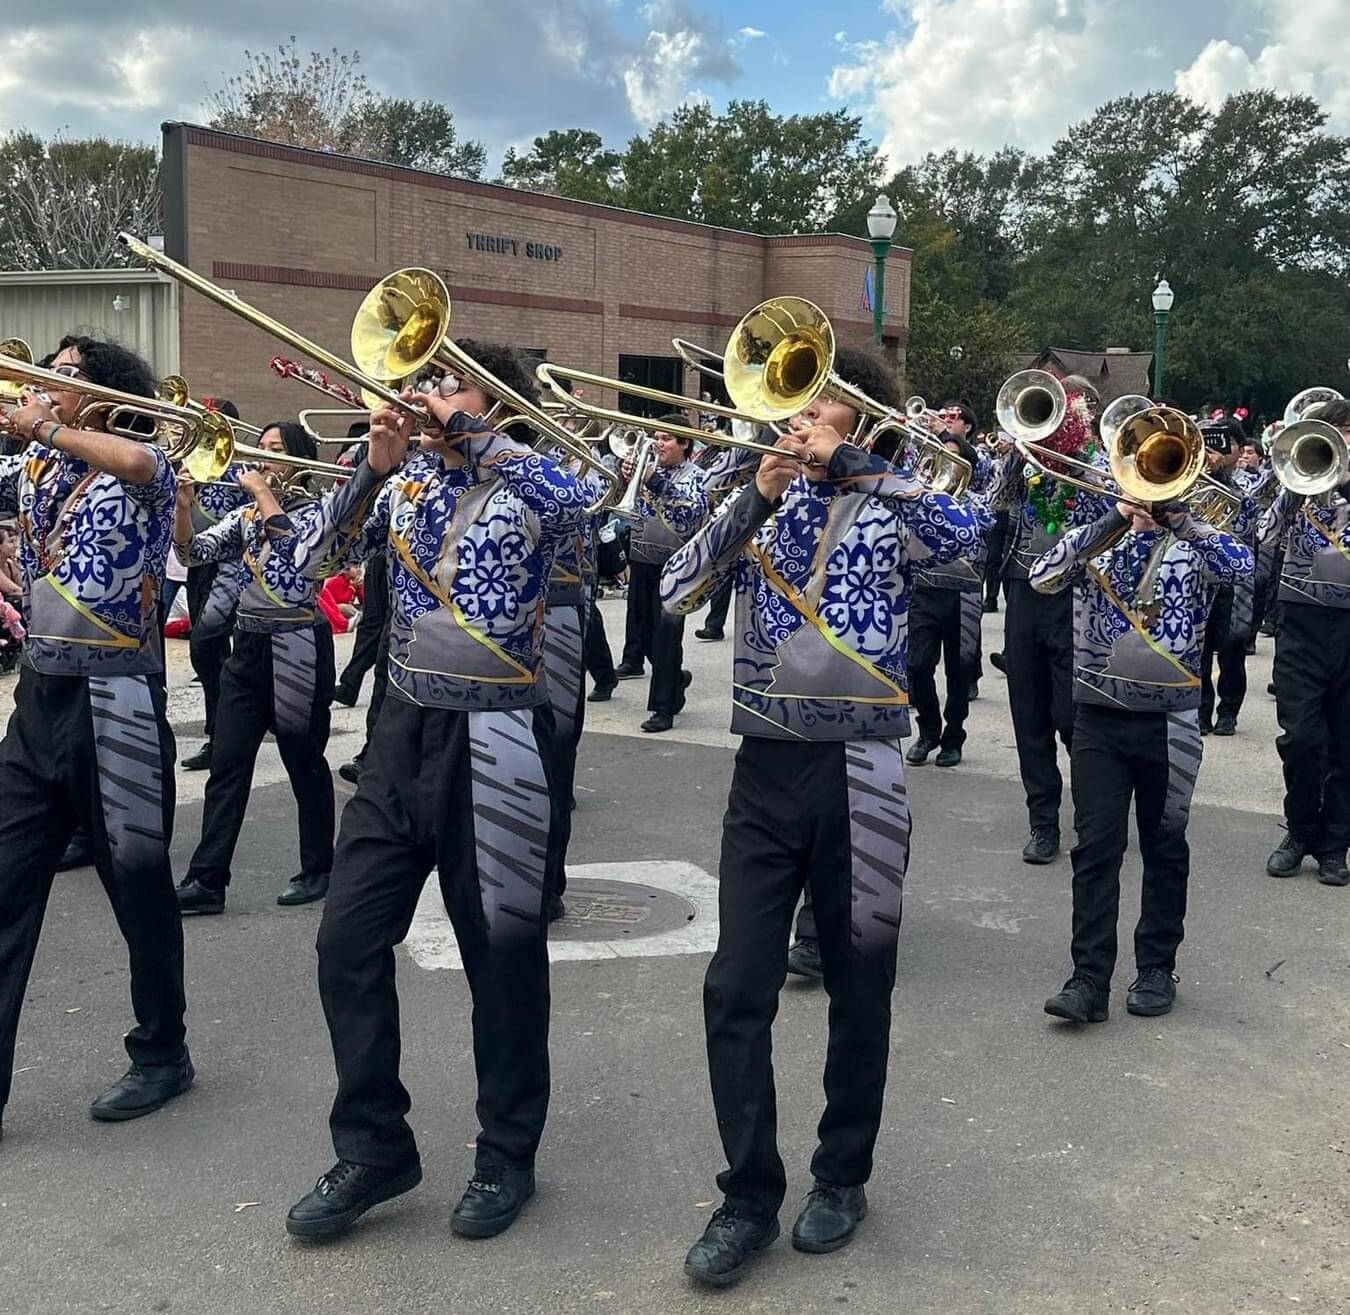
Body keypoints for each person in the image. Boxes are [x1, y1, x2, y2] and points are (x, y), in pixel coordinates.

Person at [661, 347, 981, 1286]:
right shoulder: (759, 492)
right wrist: (757, 495)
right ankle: (748, 1194)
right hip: (765, 769)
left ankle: (841, 1175)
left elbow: (972, 550)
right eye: (790, 410)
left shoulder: (897, 495)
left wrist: (871, 471)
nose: (793, 424)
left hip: (867, 767)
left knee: (860, 984)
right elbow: (675, 585)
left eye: (814, 411)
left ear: (863, 423)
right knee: (736, 987)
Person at [283, 343, 586, 1242]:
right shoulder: (404, 481)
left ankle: (507, 1151)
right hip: (400, 734)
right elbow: (309, 561)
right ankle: (376, 1146)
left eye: (447, 381)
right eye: (427, 381)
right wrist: (371, 469)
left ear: (489, 400)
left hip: (498, 733)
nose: (423, 393)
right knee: (345, 941)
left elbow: (580, 506)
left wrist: (470, 430)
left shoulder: (531, 479)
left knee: (501, 957)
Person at [0, 334, 192, 1135]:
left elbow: (149, 471)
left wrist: (45, 427)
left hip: (117, 699)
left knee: (139, 887)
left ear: (108, 391)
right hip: (40, 696)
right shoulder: (33, 468)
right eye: (48, 372)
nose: (48, 384)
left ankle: (162, 1051)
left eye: (67, 376)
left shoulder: (143, 459)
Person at [1032, 492, 1253, 1023]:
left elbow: (1242, 566)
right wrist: (1113, 518)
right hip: (1098, 717)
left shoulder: (1195, 542)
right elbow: (1043, 576)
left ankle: (1156, 966)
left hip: (1172, 718)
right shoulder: (1098, 533)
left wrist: (1184, 522)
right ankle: (1088, 977)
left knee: (1165, 845)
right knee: (1096, 847)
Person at [173, 423, 339, 915]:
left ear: (301, 461)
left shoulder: (319, 513)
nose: (261, 458)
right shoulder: (245, 516)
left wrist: (266, 492)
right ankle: (207, 880)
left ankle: (318, 868)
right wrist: (184, 507)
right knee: (227, 764)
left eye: (275, 451)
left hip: (298, 645)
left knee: (303, 759)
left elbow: (295, 562)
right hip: (247, 644)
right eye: (261, 450)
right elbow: (193, 552)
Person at [990, 377, 1110, 864]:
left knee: (1071, 716)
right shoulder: (1026, 461)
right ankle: (1043, 821)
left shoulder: (1098, 462)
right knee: (1029, 716)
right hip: (1023, 592)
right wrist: (1017, 456)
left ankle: (1093, 814)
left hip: (1075, 596)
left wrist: (1074, 460)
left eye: (1068, 409)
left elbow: (1109, 513)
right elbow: (997, 504)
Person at [1258, 398, 1350, 887]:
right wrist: (1295, 486)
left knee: (1346, 745)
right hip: (1302, 623)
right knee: (1300, 739)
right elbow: (1264, 534)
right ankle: (1298, 831)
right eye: (1340, 433)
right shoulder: (1295, 484)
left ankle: (1335, 845)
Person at [906, 401, 993, 768]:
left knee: (959, 671)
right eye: (942, 457)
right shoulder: (919, 498)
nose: (947, 465)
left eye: (955, 459)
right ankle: (927, 730)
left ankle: (953, 736)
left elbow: (984, 524)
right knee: (917, 666)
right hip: (925, 590)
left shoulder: (978, 501)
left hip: (963, 594)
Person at [612, 420, 708, 733]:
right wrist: (624, 477)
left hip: (676, 566)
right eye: (655, 437)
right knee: (645, 631)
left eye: (666, 439)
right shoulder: (646, 468)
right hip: (642, 559)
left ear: (685, 445)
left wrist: (654, 481)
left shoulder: (697, 476)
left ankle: (663, 708)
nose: (658, 444)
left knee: (666, 638)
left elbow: (690, 512)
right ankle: (675, 679)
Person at [183, 398, 245, 772]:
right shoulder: (190, 465)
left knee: (205, 647)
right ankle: (223, 732)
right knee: (210, 653)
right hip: (196, 565)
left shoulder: (241, 469)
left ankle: (223, 734)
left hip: (227, 566)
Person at [1196, 419, 1259, 735]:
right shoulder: (1191, 478)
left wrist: (1220, 481)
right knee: (1200, 646)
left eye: (1223, 445)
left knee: (1233, 645)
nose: (1214, 452)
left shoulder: (1246, 484)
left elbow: (1249, 526)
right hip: (1201, 575)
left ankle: (1229, 709)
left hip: (1235, 576)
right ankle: (1202, 710)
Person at [319, 563, 364, 635]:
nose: (359, 570)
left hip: (346, 606)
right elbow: (343, 600)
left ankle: (361, 615)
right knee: (345, 607)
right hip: (336, 607)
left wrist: (360, 587)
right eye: (355, 567)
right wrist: (352, 588)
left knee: (359, 607)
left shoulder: (352, 581)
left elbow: (362, 600)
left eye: (359, 567)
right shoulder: (337, 581)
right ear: (346, 571)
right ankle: (360, 617)